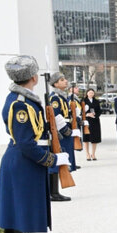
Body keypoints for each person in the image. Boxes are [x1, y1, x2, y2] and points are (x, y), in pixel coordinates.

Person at [0, 55, 71, 233]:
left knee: (20, 211)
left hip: (23, 161)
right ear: (33, 77)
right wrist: (53, 160)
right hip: (20, 162)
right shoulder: (20, 105)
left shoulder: (26, 100)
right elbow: (26, 143)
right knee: (15, 213)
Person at [47, 72, 80, 201]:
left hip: (65, 129)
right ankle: (53, 192)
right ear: (55, 84)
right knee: (58, 158)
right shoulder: (55, 98)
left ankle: (55, 191)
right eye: (62, 80)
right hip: (61, 131)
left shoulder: (61, 97)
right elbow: (55, 115)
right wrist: (66, 131)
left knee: (62, 159)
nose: (65, 81)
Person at [81, 88, 102, 160]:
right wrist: (87, 114)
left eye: (92, 93)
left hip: (95, 121)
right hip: (87, 121)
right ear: (87, 93)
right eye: (89, 92)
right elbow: (80, 111)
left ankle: (93, 154)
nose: (91, 94)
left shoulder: (96, 101)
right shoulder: (83, 101)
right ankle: (87, 154)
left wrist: (95, 115)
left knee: (95, 138)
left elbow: (99, 111)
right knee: (86, 138)